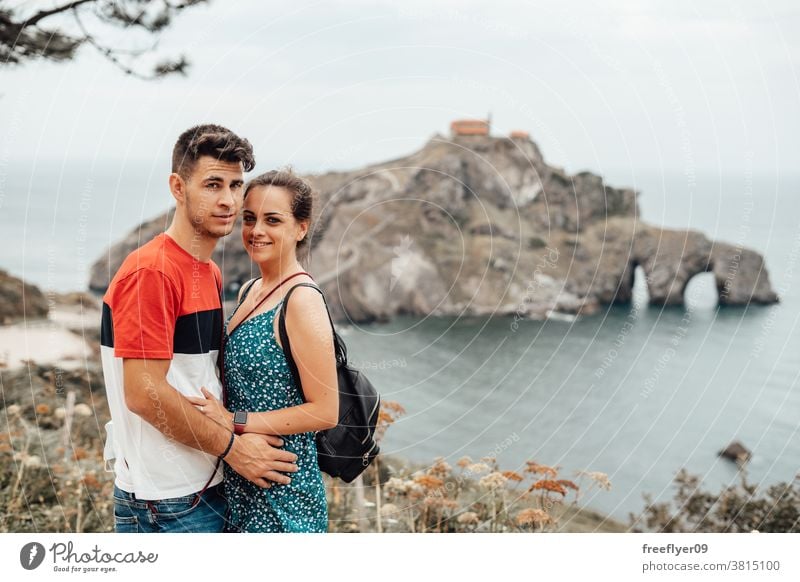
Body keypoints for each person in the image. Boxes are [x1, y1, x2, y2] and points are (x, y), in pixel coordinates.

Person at [100, 125, 299, 533]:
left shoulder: (206, 271)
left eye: (235, 185)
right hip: (169, 502)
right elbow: (143, 394)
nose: (228, 200)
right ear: (178, 186)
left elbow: (196, 379)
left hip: (204, 487)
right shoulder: (152, 271)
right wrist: (236, 450)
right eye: (212, 184)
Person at [188, 169, 338, 532]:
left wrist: (234, 421)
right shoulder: (249, 290)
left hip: (283, 488)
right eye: (250, 218)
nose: (256, 231)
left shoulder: (301, 300)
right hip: (241, 480)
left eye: (273, 220)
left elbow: (326, 410)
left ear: (301, 228)